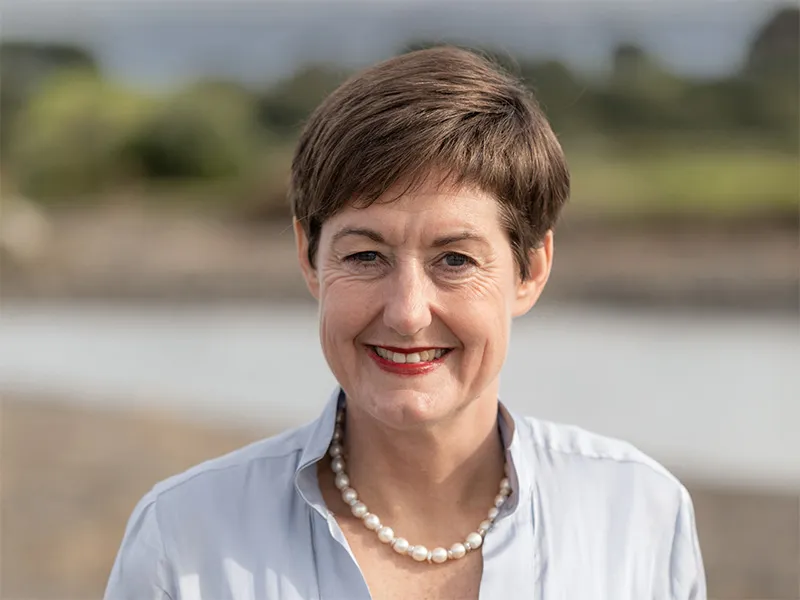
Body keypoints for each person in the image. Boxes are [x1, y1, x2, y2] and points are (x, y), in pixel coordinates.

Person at [105, 47, 706, 600]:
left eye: (455, 259)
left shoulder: (639, 514)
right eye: (365, 256)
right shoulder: (184, 538)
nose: (407, 311)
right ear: (308, 258)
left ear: (531, 269)